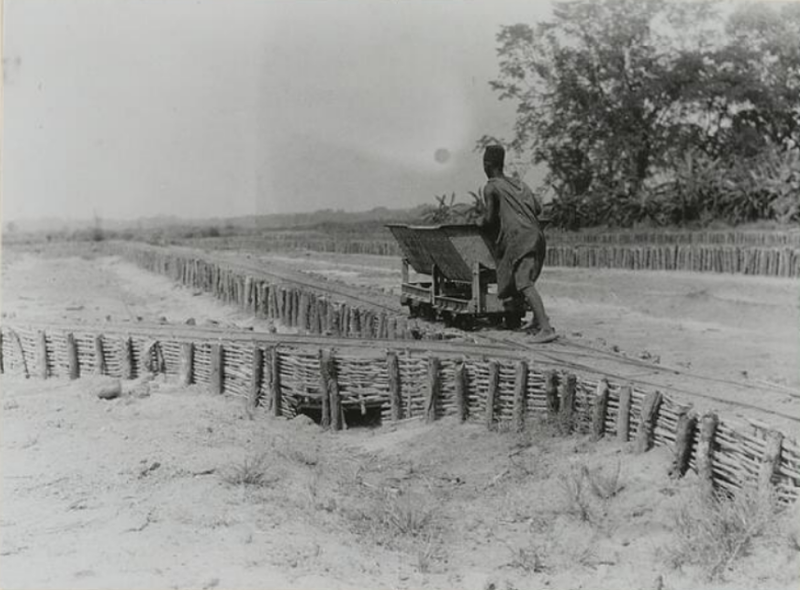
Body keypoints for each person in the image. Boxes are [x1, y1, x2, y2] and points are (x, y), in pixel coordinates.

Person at [477, 145, 557, 343]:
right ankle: (538, 322)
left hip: (520, 238)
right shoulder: (519, 184)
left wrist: (479, 221)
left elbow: (488, 220)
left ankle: (546, 328)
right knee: (525, 278)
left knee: (523, 282)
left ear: (487, 165)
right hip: (536, 234)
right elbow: (537, 209)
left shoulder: (491, 187)